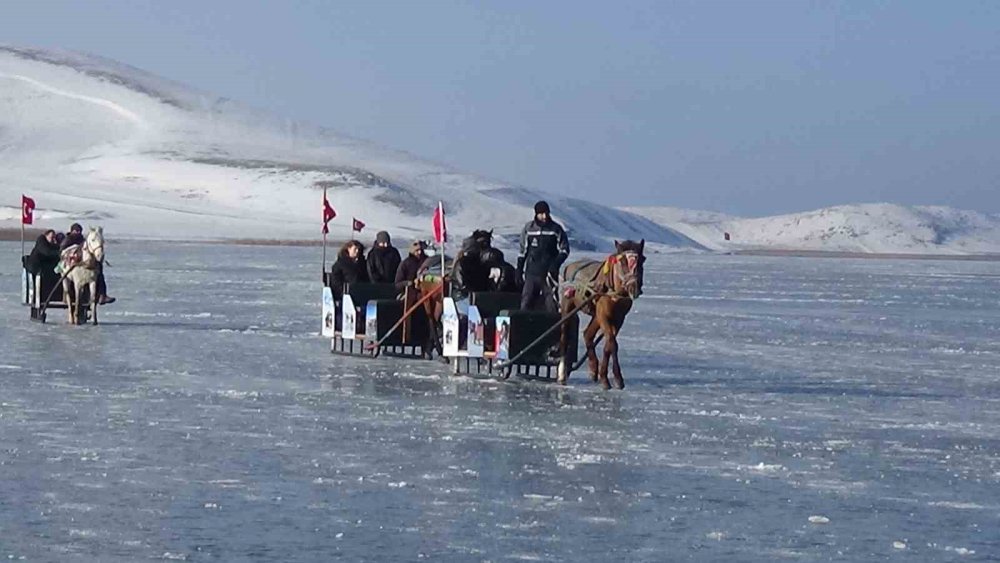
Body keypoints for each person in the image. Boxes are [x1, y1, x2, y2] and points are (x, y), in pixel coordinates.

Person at [517, 200, 569, 311]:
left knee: (551, 306)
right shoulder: (529, 228)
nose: (544, 216)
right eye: (541, 214)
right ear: (536, 214)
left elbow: (564, 250)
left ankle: (552, 327)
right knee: (526, 303)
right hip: (532, 274)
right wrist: (519, 270)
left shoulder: (556, 229)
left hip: (549, 275)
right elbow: (522, 251)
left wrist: (555, 265)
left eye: (546, 213)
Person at [59, 223, 115, 304]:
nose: (78, 233)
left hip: (85, 263)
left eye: (79, 231)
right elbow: (62, 251)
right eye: (76, 231)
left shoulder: (83, 240)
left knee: (99, 270)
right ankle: (69, 295)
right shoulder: (68, 239)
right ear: (72, 231)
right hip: (72, 264)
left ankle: (102, 295)